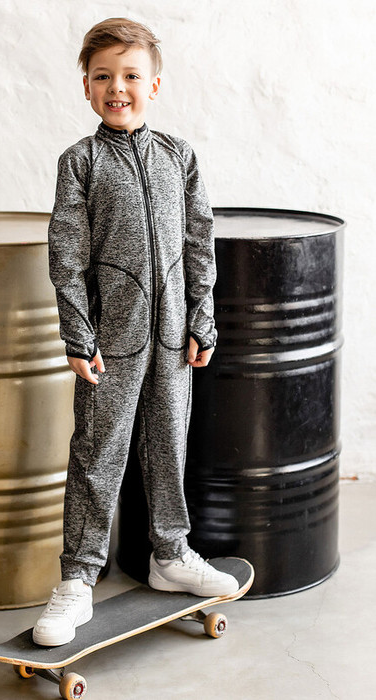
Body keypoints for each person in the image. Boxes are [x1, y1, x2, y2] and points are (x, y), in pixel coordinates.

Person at [33, 17, 238, 647]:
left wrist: (202, 319)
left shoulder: (180, 156)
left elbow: (199, 242)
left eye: (130, 75)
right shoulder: (81, 162)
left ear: (154, 85)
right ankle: (77, 580)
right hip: (110, 343)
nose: (116, 88)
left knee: (169, 445)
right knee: (98, 455)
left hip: (174, 340)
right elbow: (67, 255)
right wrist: (78, 335)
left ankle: (170, 554)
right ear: (86, 87)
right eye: (103, 77)